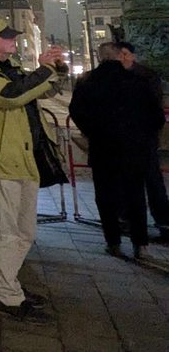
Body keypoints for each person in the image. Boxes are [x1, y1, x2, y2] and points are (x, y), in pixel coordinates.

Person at [0, 18, 63, 323]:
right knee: (5, 232)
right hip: (2, 158)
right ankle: (5, 294)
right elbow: (10, 96)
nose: (12, 40)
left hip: (23, 157)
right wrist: (44, 71)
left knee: (22, 231)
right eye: (6, 37)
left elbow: (44, 90)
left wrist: (52, 68)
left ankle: (10, 286)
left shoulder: (9, 68)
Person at [70, 42, 164, 259]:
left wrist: (92, 131)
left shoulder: (87, 81)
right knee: (135, 195)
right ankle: (140, 244)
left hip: (103, 148)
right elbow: (156, 116)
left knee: (105, 196)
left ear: (100, 56)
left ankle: (113, 241)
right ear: (120, 56)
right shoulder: (137, 81)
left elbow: (76, 111)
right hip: (134, 148)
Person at [115, 41, 169, 241]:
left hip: (143, 138)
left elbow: (155, 108)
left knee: (152, 181)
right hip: (125, 138)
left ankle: (164, 222)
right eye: (120, 54)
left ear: (132, 56)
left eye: (126, 54)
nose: (123, 58)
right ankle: (127, 219)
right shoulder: (119, 77)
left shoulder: (146, 76)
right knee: (126, 181)